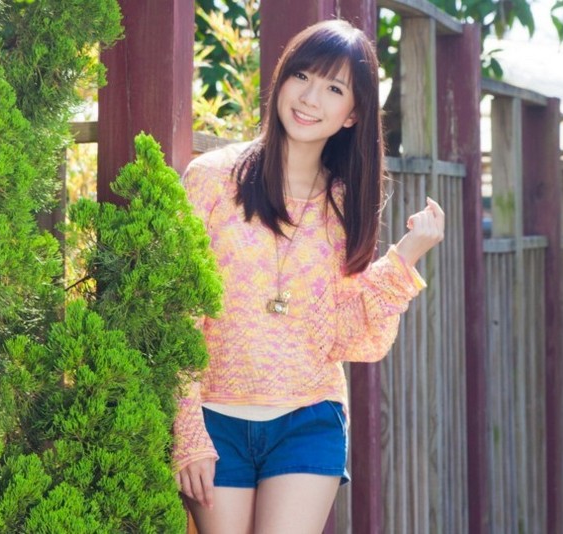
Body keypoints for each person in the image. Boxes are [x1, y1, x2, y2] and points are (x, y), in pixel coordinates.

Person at [174, 19, 444, 534]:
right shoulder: (210, 179)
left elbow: (344, 335)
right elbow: (177, 313)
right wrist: (188, 431)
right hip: (215, 418)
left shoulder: (345, 202)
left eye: (334, 89)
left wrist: (405, 258)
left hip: (308, 418)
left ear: (353, 114)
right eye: (302, 76)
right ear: (282, 78)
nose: (310, 98)